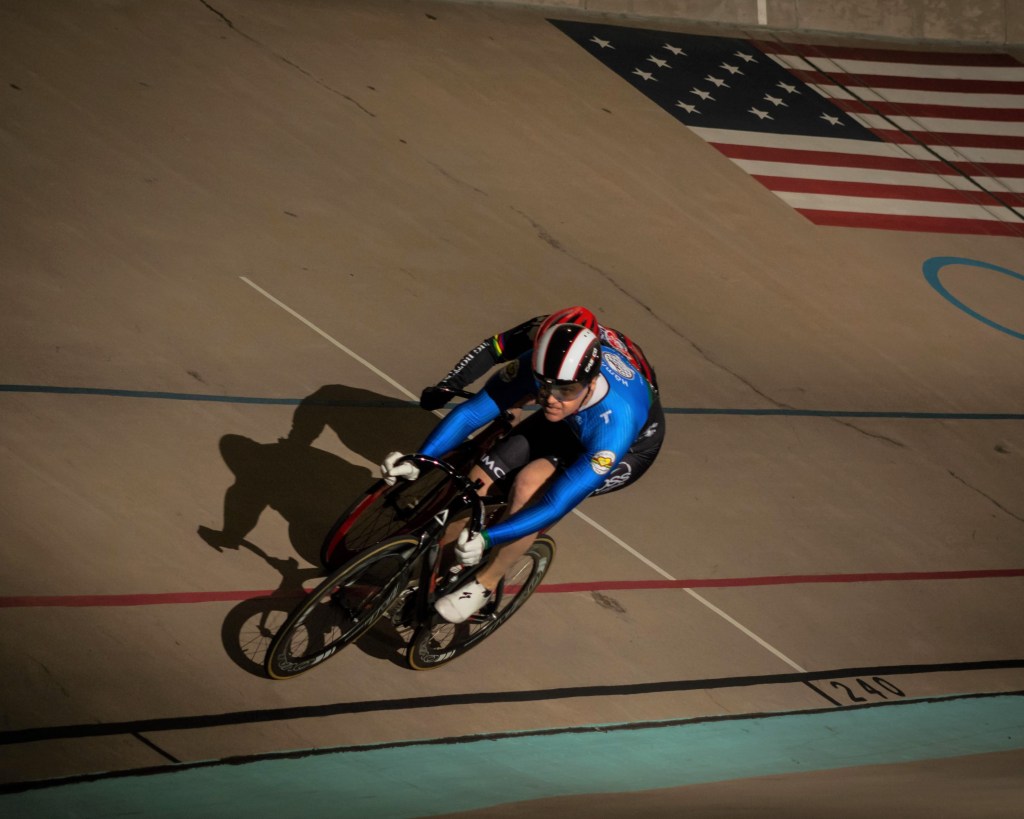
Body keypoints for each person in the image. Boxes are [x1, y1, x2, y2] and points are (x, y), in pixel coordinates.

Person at [382, 308, 664, 624]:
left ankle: (484, 583)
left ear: (591, 381)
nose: (551, 398)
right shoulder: (545, 373)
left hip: (626, 449)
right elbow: (472, 414)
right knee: (475, 484)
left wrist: (488, 538)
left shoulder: (618, 422)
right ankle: (426, 574)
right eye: (543, 386)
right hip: (571, 420)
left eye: (565, 390)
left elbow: (555, 504)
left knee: (529, 487)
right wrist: (420, 460)